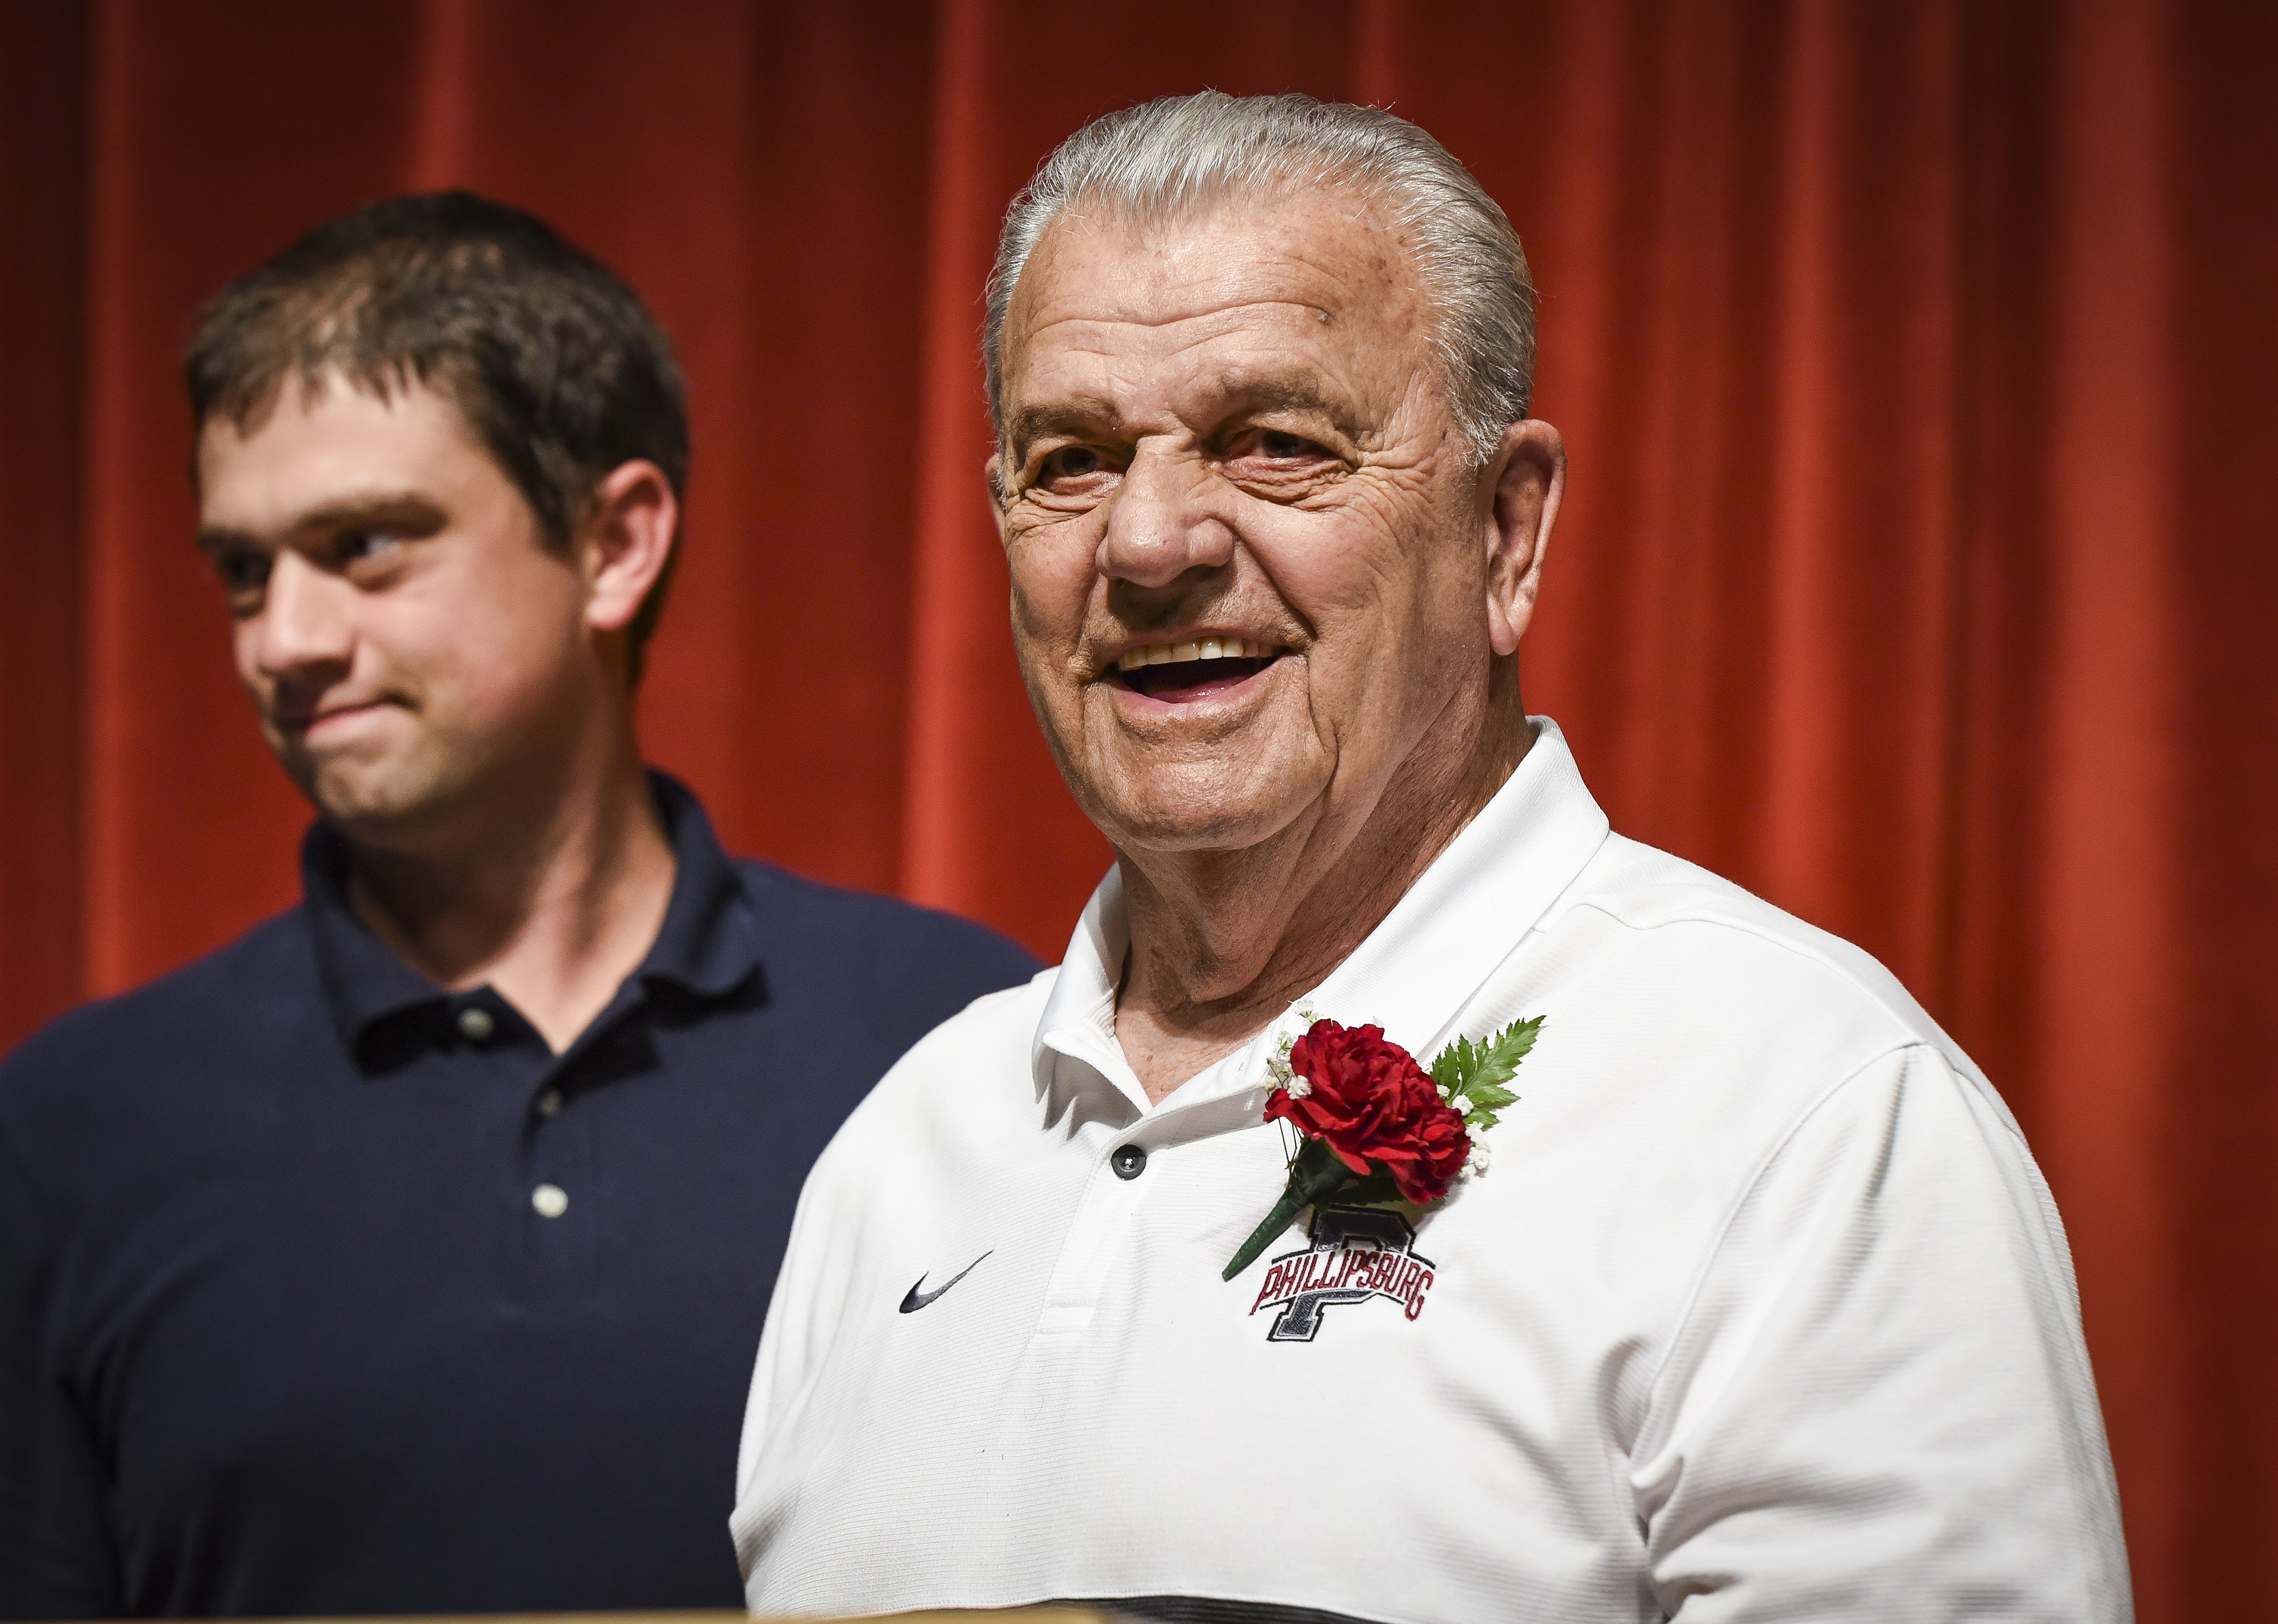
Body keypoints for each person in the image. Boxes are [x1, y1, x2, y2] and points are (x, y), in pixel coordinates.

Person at [731, 93, 2130, 1621]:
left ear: (1506, 533)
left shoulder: (1800, 1117)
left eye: (1272, 443)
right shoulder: (903, 1149)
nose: (1146, 544)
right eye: (1069, 457)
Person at [0, 192, 1037, 1618]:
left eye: (367, 542)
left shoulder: (958, 1043)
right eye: (243, 569)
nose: (283, 640)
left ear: (615, 543)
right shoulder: (74, 1125)